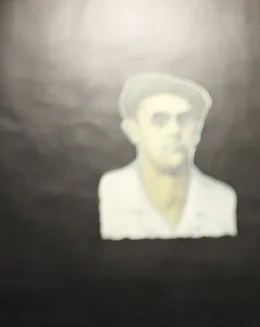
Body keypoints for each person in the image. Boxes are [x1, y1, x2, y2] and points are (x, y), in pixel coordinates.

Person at [99, 72, 237, 240]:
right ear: (133, 130)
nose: (175, 131)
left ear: (197, 131)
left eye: (183, 119)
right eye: (160, 120)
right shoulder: (109, 194)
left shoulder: (222, 201)